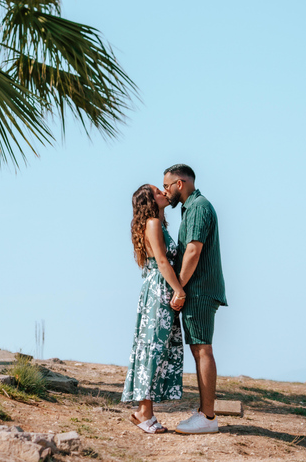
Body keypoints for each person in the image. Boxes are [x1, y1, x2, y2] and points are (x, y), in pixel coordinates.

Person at [162, 164, 227, 435]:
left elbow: (193, 251)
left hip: (199, 290)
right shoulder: (193, 207)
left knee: (202, 349)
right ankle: (205, 413)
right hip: (199, 289)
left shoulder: (198, 207)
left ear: (180, 183)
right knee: (199, 348)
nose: (165, 192)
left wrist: (179, 288)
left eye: (167, 186)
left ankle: (208, 417)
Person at [121, 184, 187, 434]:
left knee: (156, 349)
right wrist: (178, 290)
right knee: (153, 349)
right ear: (150, 200)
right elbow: (161, 261)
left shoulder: (156, 224)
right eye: (158, 192)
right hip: (159, 289)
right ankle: (143, 413)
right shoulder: (153, 224)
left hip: (159, 288)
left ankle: (145, 412)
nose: (164, 193)